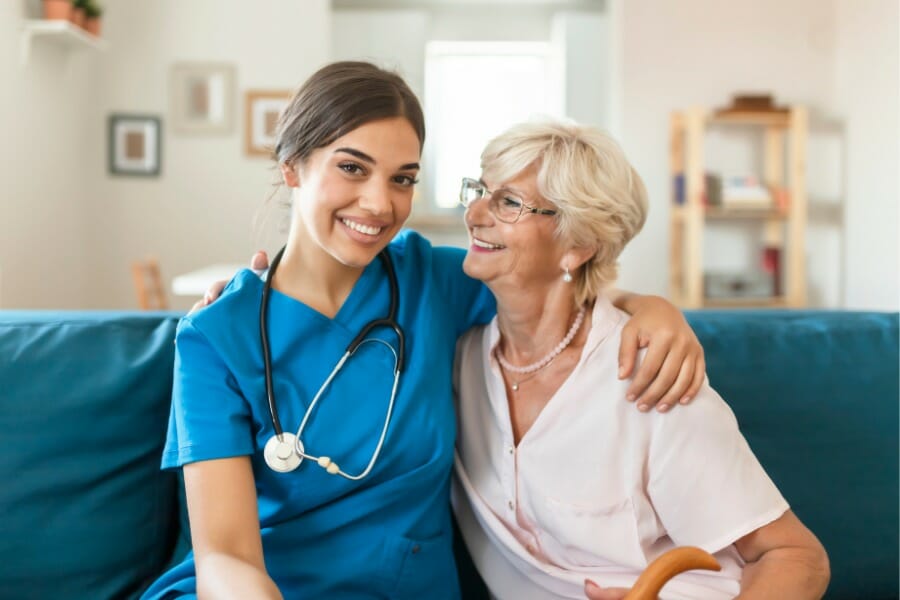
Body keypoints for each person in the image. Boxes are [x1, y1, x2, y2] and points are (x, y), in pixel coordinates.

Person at [142, 61, 705, 600]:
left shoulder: (430, 280)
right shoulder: (215, 338)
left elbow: (552, 283)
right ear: (292, 165)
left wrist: (652, 307)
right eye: (352, 168)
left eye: (403, 178)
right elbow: (226, 558)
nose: (379, 203)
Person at [451, 119, 830, 600]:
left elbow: (797, 557)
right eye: (480, 190)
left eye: (508, 202)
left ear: (577, 246)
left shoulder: (648, 375)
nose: (475, 213)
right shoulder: (459, 360)